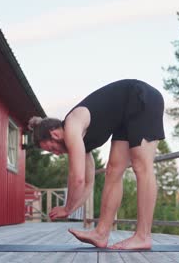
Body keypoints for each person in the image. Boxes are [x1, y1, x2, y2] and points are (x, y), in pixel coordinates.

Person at [27, 79, 165, 250]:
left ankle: (143, 236)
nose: (56, 153)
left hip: (140, 96)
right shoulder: (82, 142)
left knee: (141, 165)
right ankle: (101, 233)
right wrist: (70, 209)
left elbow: (76, 178)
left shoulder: (72, 124)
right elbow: (87, 183)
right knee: (113, 171)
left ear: (54, 134)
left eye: (52, 149)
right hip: (124, 115)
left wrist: (67, 207)